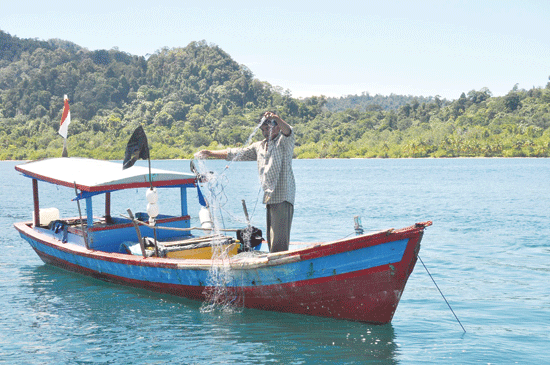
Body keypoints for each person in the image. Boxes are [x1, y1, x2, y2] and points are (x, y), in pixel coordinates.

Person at [196, 111, 295, 253]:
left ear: (277, 127)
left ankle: (280, 264)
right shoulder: (259, 146)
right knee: (272, 237)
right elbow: (236, 153)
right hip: (270, 197)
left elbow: (289, 131)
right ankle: (274, 261)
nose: (267, 132)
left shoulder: (284, 141)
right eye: (263, 129)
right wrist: (211, 153)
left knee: (279, 240)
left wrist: (276, 118)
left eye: (269, 128)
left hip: (283, 195)